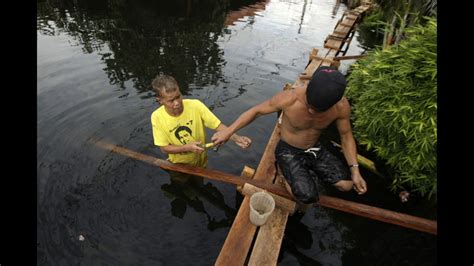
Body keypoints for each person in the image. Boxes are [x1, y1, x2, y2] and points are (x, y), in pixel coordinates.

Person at [211, 66, 367, 204]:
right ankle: (283, 172)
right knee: (306, 197)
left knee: (346, 185)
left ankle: (305, 169)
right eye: (309, 105)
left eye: (319, 109)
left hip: (313, 147)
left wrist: (355, 170)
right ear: (307, 89)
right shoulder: (290, 98)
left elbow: (346, 136)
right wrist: (228, 131)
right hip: (288, 150)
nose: (312, 111)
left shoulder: (341, 106)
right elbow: (256, 111)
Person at [151, 74, 252, 168]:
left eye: (178, 96)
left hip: (201, 162)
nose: (177, 103)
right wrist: (187, 148)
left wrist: (237, 138)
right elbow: (164, 148)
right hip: (179, 166)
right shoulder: (157, 117)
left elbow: (217, 125)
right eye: (171, 100)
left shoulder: (195, 105)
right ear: (160, 100)